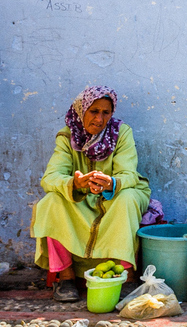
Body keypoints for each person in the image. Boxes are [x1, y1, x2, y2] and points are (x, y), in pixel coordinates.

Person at [31, 86, 151, 302]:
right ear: (81, 110)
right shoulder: (67, 137)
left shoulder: (121, 133)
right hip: (81, 198)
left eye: (106, 112)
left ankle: (127, 275)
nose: (99, 119)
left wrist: (111, 183)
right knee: (50, 201)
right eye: (94, 111)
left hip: (116, 194)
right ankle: (66, 277)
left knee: (127, 199)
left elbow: (129, 174)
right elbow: (50, 177)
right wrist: (75, 183)